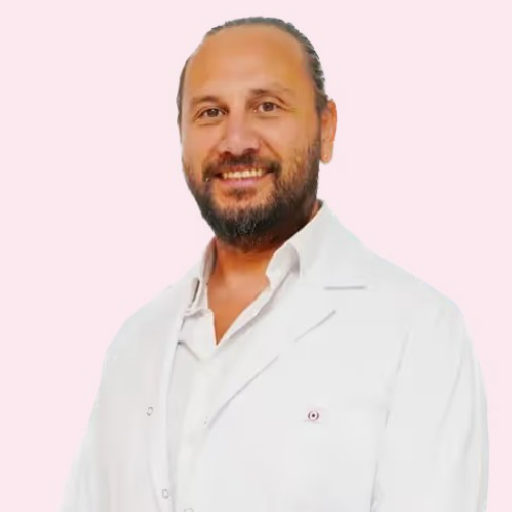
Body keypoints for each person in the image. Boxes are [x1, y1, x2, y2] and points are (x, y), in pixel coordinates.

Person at [60, 16, 488, 512]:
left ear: (326, 128)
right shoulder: (136, 342)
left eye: (267, 106)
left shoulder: (420, 331)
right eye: (210, 112)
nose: (236, 140)